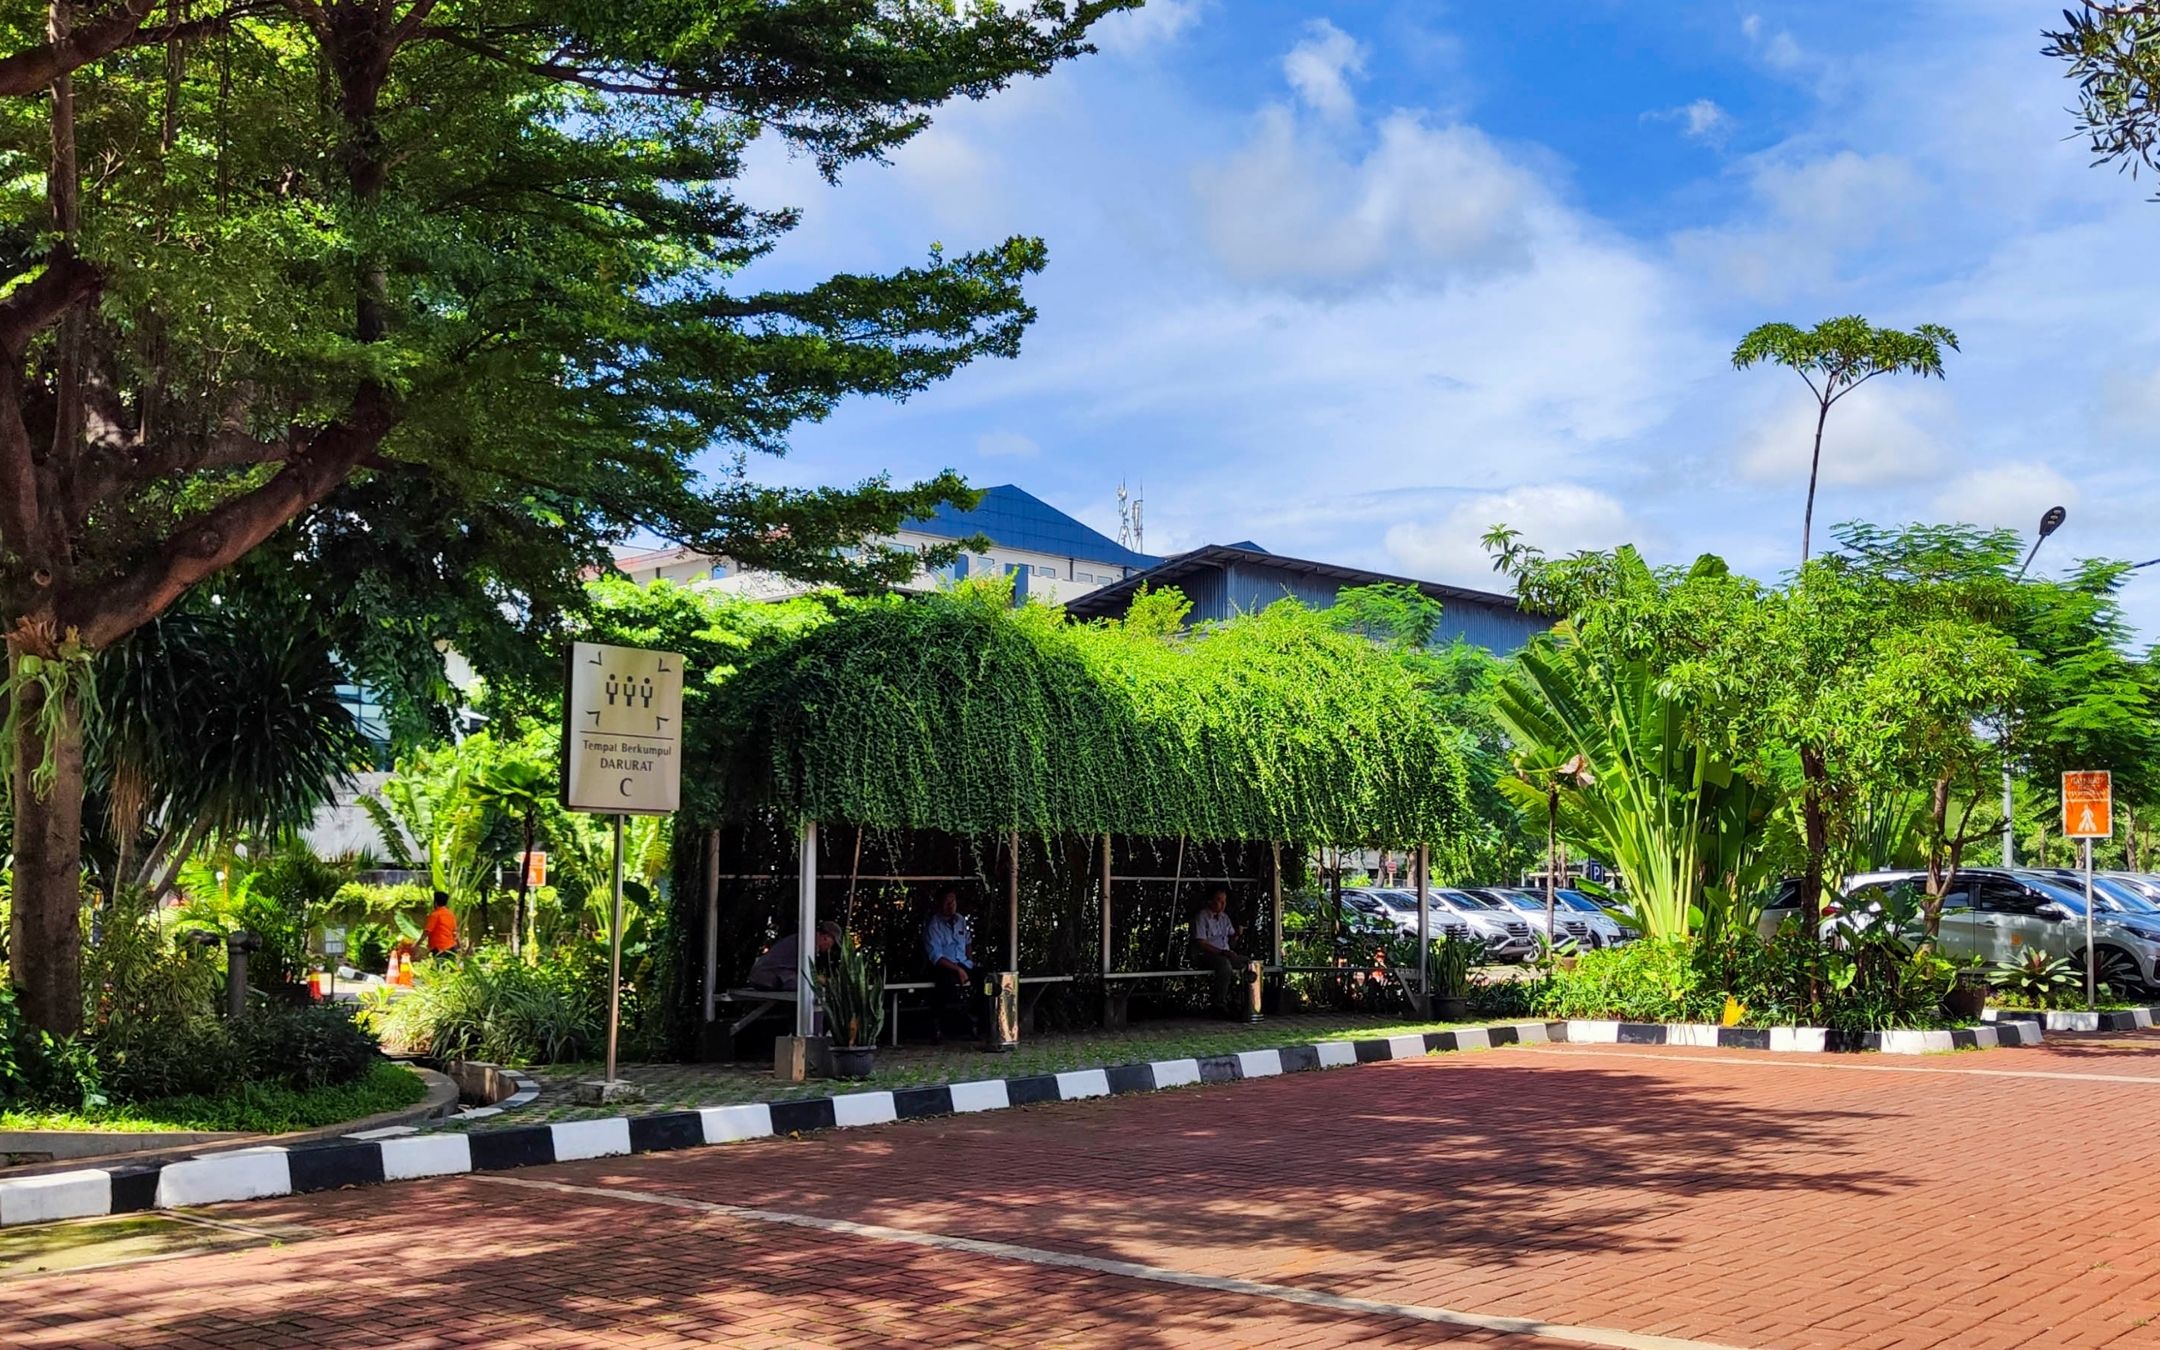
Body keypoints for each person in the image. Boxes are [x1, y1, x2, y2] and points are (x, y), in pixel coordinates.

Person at [923, 885, 982, 1043]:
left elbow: (968, 942)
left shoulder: (960, 920)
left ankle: (976, 1021)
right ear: (939, 903)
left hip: (963, 963)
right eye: (947, 902)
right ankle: (938, 1027)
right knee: (944, 984)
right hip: (944, 966)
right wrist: (957, 970)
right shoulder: (933, 925)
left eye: (953, 901)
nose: (951, 905)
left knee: (986, 980)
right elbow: (936, 956)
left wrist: (969, 961)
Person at [1188, 885, 1246, 1016]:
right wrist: (1222, 952)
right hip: (1207, 955)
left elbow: (1231, 943)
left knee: (1248, 963)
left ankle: (1242, 1001)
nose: (1222, 904)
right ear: (1211, 901)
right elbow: (1201, 943)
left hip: (1226, 953)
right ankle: (1219, 1004)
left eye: (1224, 901)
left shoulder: (1225, 918)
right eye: (1219, 900)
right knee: (1224, 965)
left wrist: (1237, 935)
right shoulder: (1202, 917)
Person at [748, 921, 841, 991]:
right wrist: (823, 981)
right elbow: (806, 974)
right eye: (832, 942)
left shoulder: (804, 939)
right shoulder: (807, 943)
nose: (830, 948)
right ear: (825, 938)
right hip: (767, 976)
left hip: (762, 975)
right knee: (812, 989)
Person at [423, 891, 459, 960]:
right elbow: (455, 932)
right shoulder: (450, 914)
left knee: (439, 966)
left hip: (439, 948)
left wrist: (416, 944)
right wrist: (459, 947)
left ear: (435, 903)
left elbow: (427, 931)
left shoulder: (435, 915)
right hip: (451, 947)